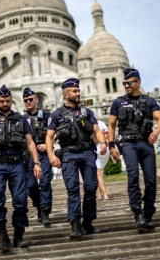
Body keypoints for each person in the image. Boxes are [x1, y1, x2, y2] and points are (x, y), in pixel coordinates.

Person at [0, 85, 42, 251]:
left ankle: (18, 235)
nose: (5, 103)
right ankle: (2, 235)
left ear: (11, 100)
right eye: (2, 101)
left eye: (8, 101)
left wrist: (37, 163)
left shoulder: (21, 119)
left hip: (17, 163)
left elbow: (30, 143)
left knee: (20, 200)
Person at [45, 78, 107, 240]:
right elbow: (49, 137)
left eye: (78, 91)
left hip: (87, 152)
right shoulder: (56, 114)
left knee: (91, 187)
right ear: (66, 94)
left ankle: (88, 222)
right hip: (68, 155)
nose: (78, 93)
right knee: (72, 189)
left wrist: (103, 143)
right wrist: (51, 155)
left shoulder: (87, 112)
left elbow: (96, 129)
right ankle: (75, 223)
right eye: (75, 91)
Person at [107, 68, 160, 229]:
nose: (126, 85)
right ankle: (137, 211)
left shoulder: (149, 101)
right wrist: (111, 146)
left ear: (138, 82)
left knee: (151, 179)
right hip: (128, 144)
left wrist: (157, 131)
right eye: (124, 83)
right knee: (132, 175)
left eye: (129, 83)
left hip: (146, 143)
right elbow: (111, 125)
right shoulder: (118, 102)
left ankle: (148, 212)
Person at [22, 87, 53, 227]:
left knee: (45, 181)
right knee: (31, 186)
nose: (28, 102)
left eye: (30, 99)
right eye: (25, 100)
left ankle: (45, 210)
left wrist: (48, 145)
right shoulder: (21, 119)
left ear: (36, 100)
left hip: (44, 153)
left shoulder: (47, 116)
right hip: (28, 156)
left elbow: (55, 133)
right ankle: (39, 205)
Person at [94, 120, 110, 201]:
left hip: (96, 148)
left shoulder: (89, 123)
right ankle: (99, 195)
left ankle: (105, 195)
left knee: (98, 174)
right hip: (105, 148)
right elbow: (106, 136)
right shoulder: (101, 123)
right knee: (98, 172)